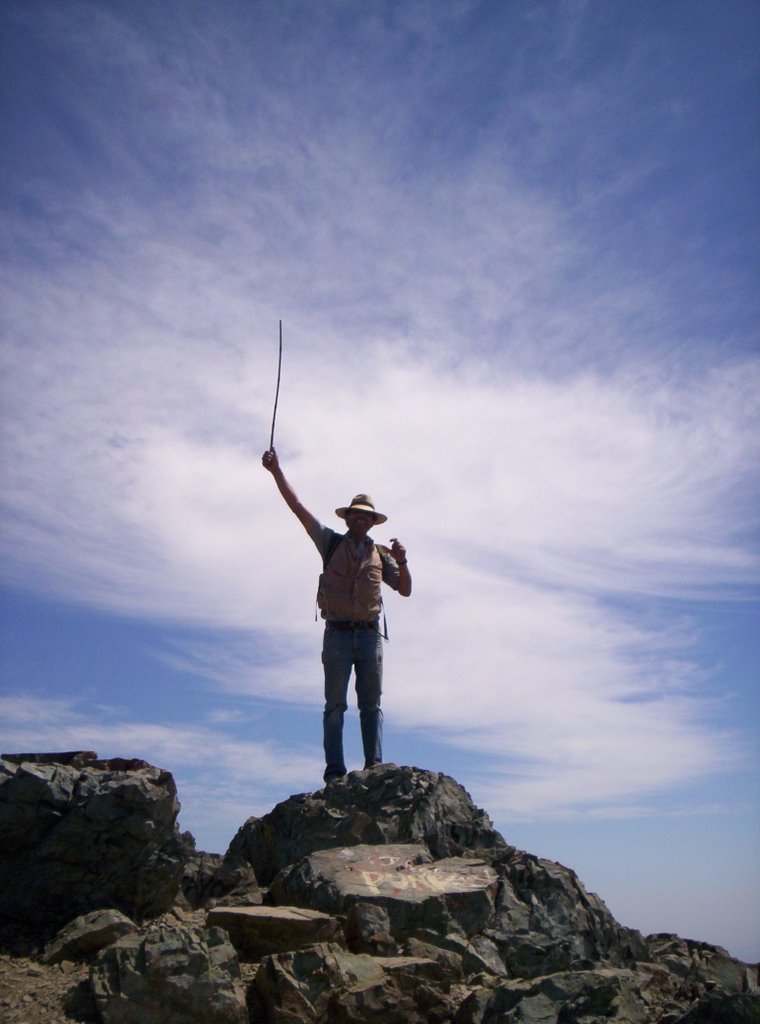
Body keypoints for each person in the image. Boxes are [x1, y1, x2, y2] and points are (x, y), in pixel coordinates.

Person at [262, 447, 412, 782]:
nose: (360, 520)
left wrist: (402, 561)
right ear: (347, 519)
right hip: (338, 636)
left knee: (371, 706)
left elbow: (404, 589)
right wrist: (276, 473)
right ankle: (335, 773)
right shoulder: (329, 542)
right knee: (335, 707)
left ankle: (374, 766)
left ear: (372, 522)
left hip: (370, 635)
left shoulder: (380, 554)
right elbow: (298, 508)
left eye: (366, 516)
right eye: (356, 515)